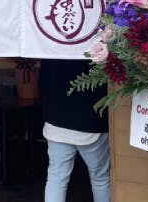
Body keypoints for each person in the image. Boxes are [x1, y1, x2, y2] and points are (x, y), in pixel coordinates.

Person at [40, 58, 109, 202]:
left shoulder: (49, 43)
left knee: (56, 178)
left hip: (56, 117)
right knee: (100, 178)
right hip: (91, 118)